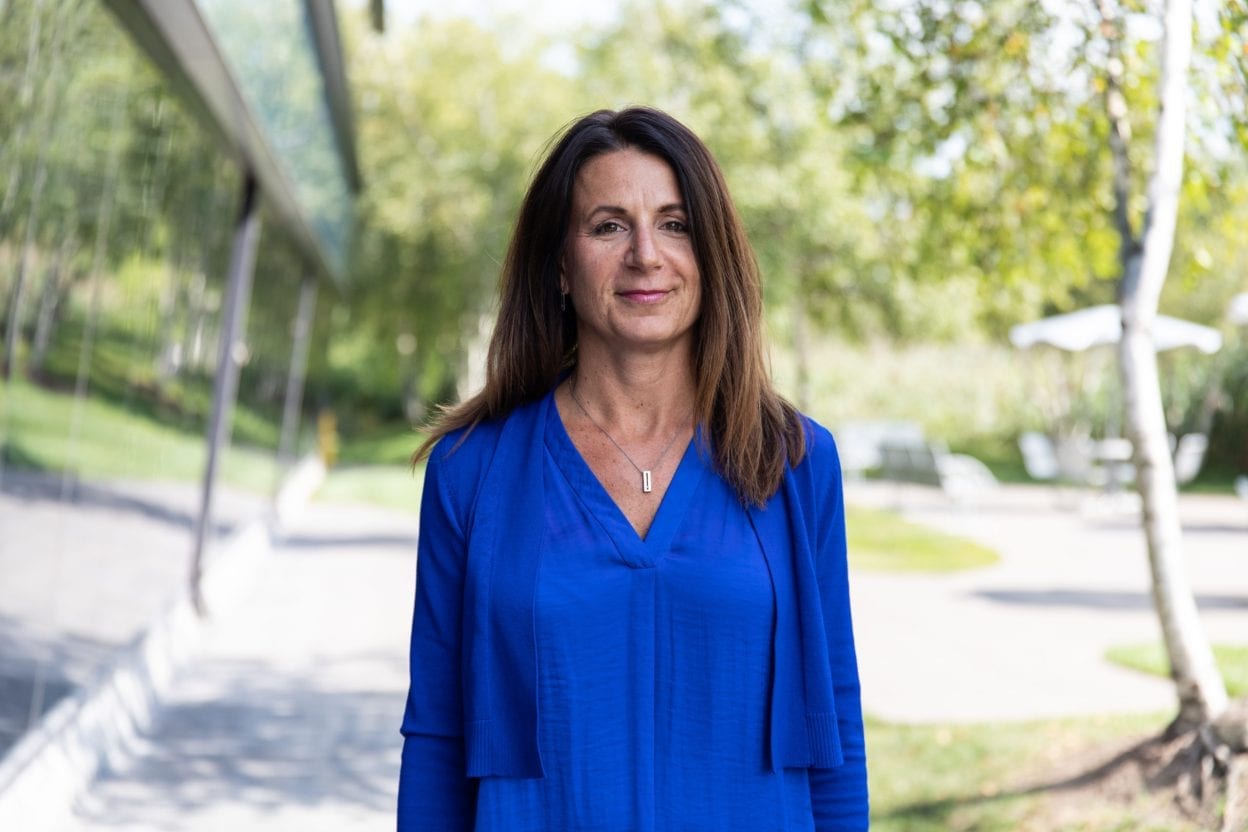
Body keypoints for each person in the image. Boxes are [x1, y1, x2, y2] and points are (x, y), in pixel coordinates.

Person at [398, 106, 867, 831]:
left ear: (711, 255)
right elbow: (436, 739)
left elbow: (834, 730)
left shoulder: (796, 465)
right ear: (559, 264)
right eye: (608, 225)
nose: (646, 254)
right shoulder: (473, 473)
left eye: (675, 224)